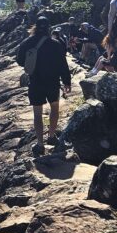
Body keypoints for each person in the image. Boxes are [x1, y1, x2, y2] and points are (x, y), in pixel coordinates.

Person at [16, 15, 72, 156]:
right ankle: (52, 136)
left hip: (35, 81)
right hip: (52, 81)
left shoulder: (28, 42)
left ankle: (40, 144)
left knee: (37, 113)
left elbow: (19, 61)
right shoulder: (56, 44)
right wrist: (67, 81)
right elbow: (63, 64)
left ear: (35, 27)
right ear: (48, 28)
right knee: (54, 108)